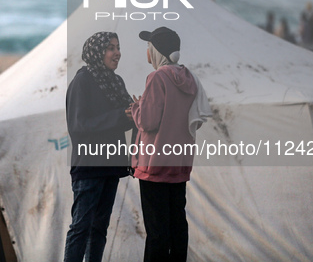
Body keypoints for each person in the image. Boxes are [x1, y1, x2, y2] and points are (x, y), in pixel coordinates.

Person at [131, 27, 210, 262]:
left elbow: (148, 121)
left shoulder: (157, 77)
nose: (147, 51)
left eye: (148, 47)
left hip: (154, 165)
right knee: (177, 225)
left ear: (156, 51)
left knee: (157, 231)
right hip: (179, 163)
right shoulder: (189, 78)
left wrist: (135, 108)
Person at [64, 31, 134, 262]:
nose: (117, 53)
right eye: (111, 48)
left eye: (118, 47)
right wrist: (119, 115)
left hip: (111, 165)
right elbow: (78, 125)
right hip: (90, 166)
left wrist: (134, 112)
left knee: (100, 228)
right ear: (97, 52)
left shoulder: (115, 81)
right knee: (81, 228)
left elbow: (121, 120)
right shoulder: (83, 80)